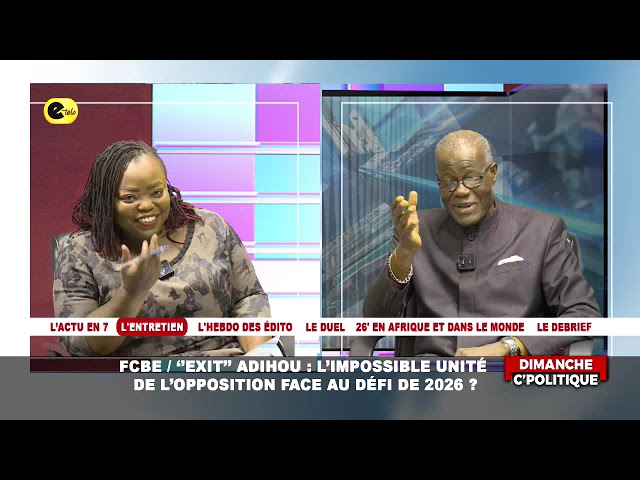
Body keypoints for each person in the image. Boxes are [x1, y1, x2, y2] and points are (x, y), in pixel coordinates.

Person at [363, 129, 602, 357]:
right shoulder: (414, 231)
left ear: (493, 174)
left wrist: (510, 347)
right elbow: (374, 322)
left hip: (507, 375)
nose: (460, 191)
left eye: (471, 178)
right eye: (448, 181)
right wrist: (403, 257)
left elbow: (583, 314)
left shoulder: (541, 231)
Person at [53, 140, 273, 357]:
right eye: (129, 198)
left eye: (157, 192)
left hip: (225, 367)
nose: (147, 205)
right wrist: (131, 293)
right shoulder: (79, 251)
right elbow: (79, 344)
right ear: (105, 201)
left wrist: (259, 357)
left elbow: (248, 297)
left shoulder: (210, 227)